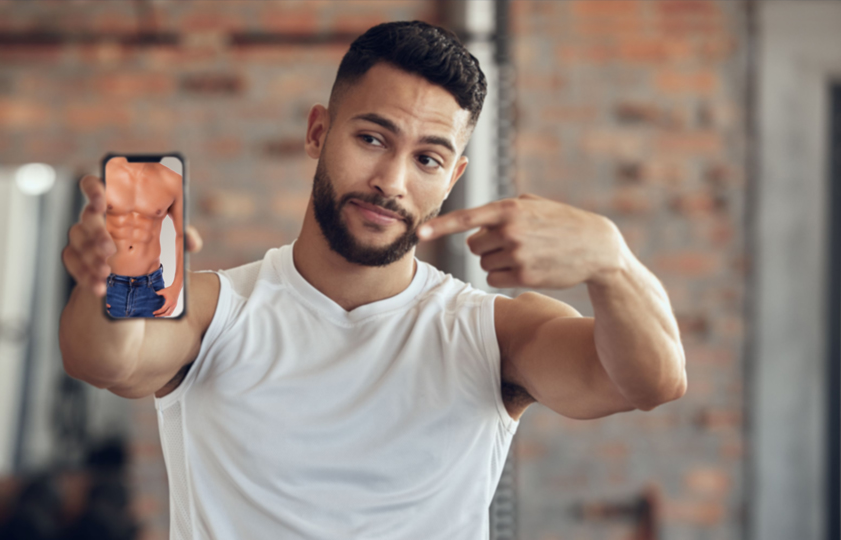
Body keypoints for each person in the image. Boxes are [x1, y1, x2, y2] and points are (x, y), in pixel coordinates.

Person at [60, 20, 686, 539]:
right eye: (371, 138)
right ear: (318, 132)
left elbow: (650, 381)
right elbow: (111, 360)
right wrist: (108, 283)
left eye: (427, 159)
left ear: (453, 175)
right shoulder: (213, 310)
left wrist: (613, 262)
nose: (392, 179)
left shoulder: (493, 333)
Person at [101, 157, 183, 318]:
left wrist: (177, 286)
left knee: (152, 344)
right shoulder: (103, 173)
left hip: (152, 290)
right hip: (105, 285)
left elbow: (183, 234)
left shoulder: (173, 181)